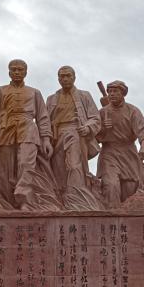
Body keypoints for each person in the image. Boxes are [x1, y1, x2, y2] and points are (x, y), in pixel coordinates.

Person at [0, 59, 54, 209]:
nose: (16, 72)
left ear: (26, 72)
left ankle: (24, 199)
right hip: (5, 130)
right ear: (9, 72)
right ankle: (7, 201)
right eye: (13, 69)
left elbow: (42, 117)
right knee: (5, 169)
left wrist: (46, 139)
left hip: (28, 129)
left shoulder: (34, 92)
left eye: (20, 70)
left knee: (26, 164)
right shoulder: (0, 91)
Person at [96, 80, 144, 207]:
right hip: (109, 153)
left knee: (130, 189)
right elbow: (94, 138)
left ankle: (127, 217)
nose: (112, 94)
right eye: (110, 91)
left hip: (128, 152)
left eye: (115, 91)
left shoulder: (132, 111)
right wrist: (103, 128)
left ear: (123, 93)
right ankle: (111, 215)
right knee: (111, 186)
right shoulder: (102, 112)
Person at [46, 66, 101, 196]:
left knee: (74, 165)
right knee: (58, 169)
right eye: (62, 76)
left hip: (75, 133)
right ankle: (62, 199)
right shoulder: (51, 99)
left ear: (74, 78)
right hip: (56, 135)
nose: (65, 79)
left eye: (68, 76)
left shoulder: (84, 95)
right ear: (58, 79)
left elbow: (95, 117)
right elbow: (45, 120)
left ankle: (76, 196)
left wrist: (87, 127)